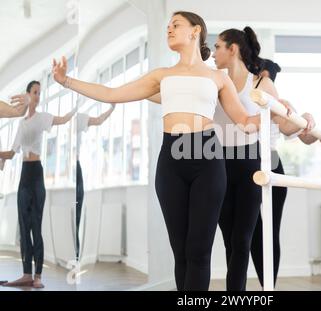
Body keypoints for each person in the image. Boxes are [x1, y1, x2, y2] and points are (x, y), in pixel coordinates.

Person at [51, 11, 262, 291]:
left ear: (195, 30)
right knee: (181, 252)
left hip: (208, 158)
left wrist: (287, 117)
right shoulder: (162, 76)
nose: (169, 30)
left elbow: (245, 122)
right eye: (167, 27)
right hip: (171, 160)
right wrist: (66, 81)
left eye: (176, 25)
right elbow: (112, 93)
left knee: (199, 251)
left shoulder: (217, 78)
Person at [212, 28, 317, 290]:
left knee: (261, 236)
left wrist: (306, 120)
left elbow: (284, 124)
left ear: (232, 49)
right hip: (225, 164)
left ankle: (267, 290)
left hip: (261, 163)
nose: (213, 53)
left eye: (217, 47)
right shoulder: (215, 83)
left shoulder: (261, 84)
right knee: (233, 240)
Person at [0, 80, 76, 289]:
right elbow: (11, 153)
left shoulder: (43, 118)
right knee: (24, 227)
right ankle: (26, 274)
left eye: (39, 93)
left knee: (35, 226)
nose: (37, 96)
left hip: (37, 174)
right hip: (24, 175)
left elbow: (62, 120)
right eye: (34, 92)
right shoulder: (21, 123)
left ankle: (38, 275)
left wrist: (75, 109)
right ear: (27, 94)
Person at [76, 104, 115, 260]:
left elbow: (98, 120)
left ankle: (76, 254)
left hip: (76, 168)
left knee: (78, 212)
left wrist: (111, 109)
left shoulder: (79, 118)